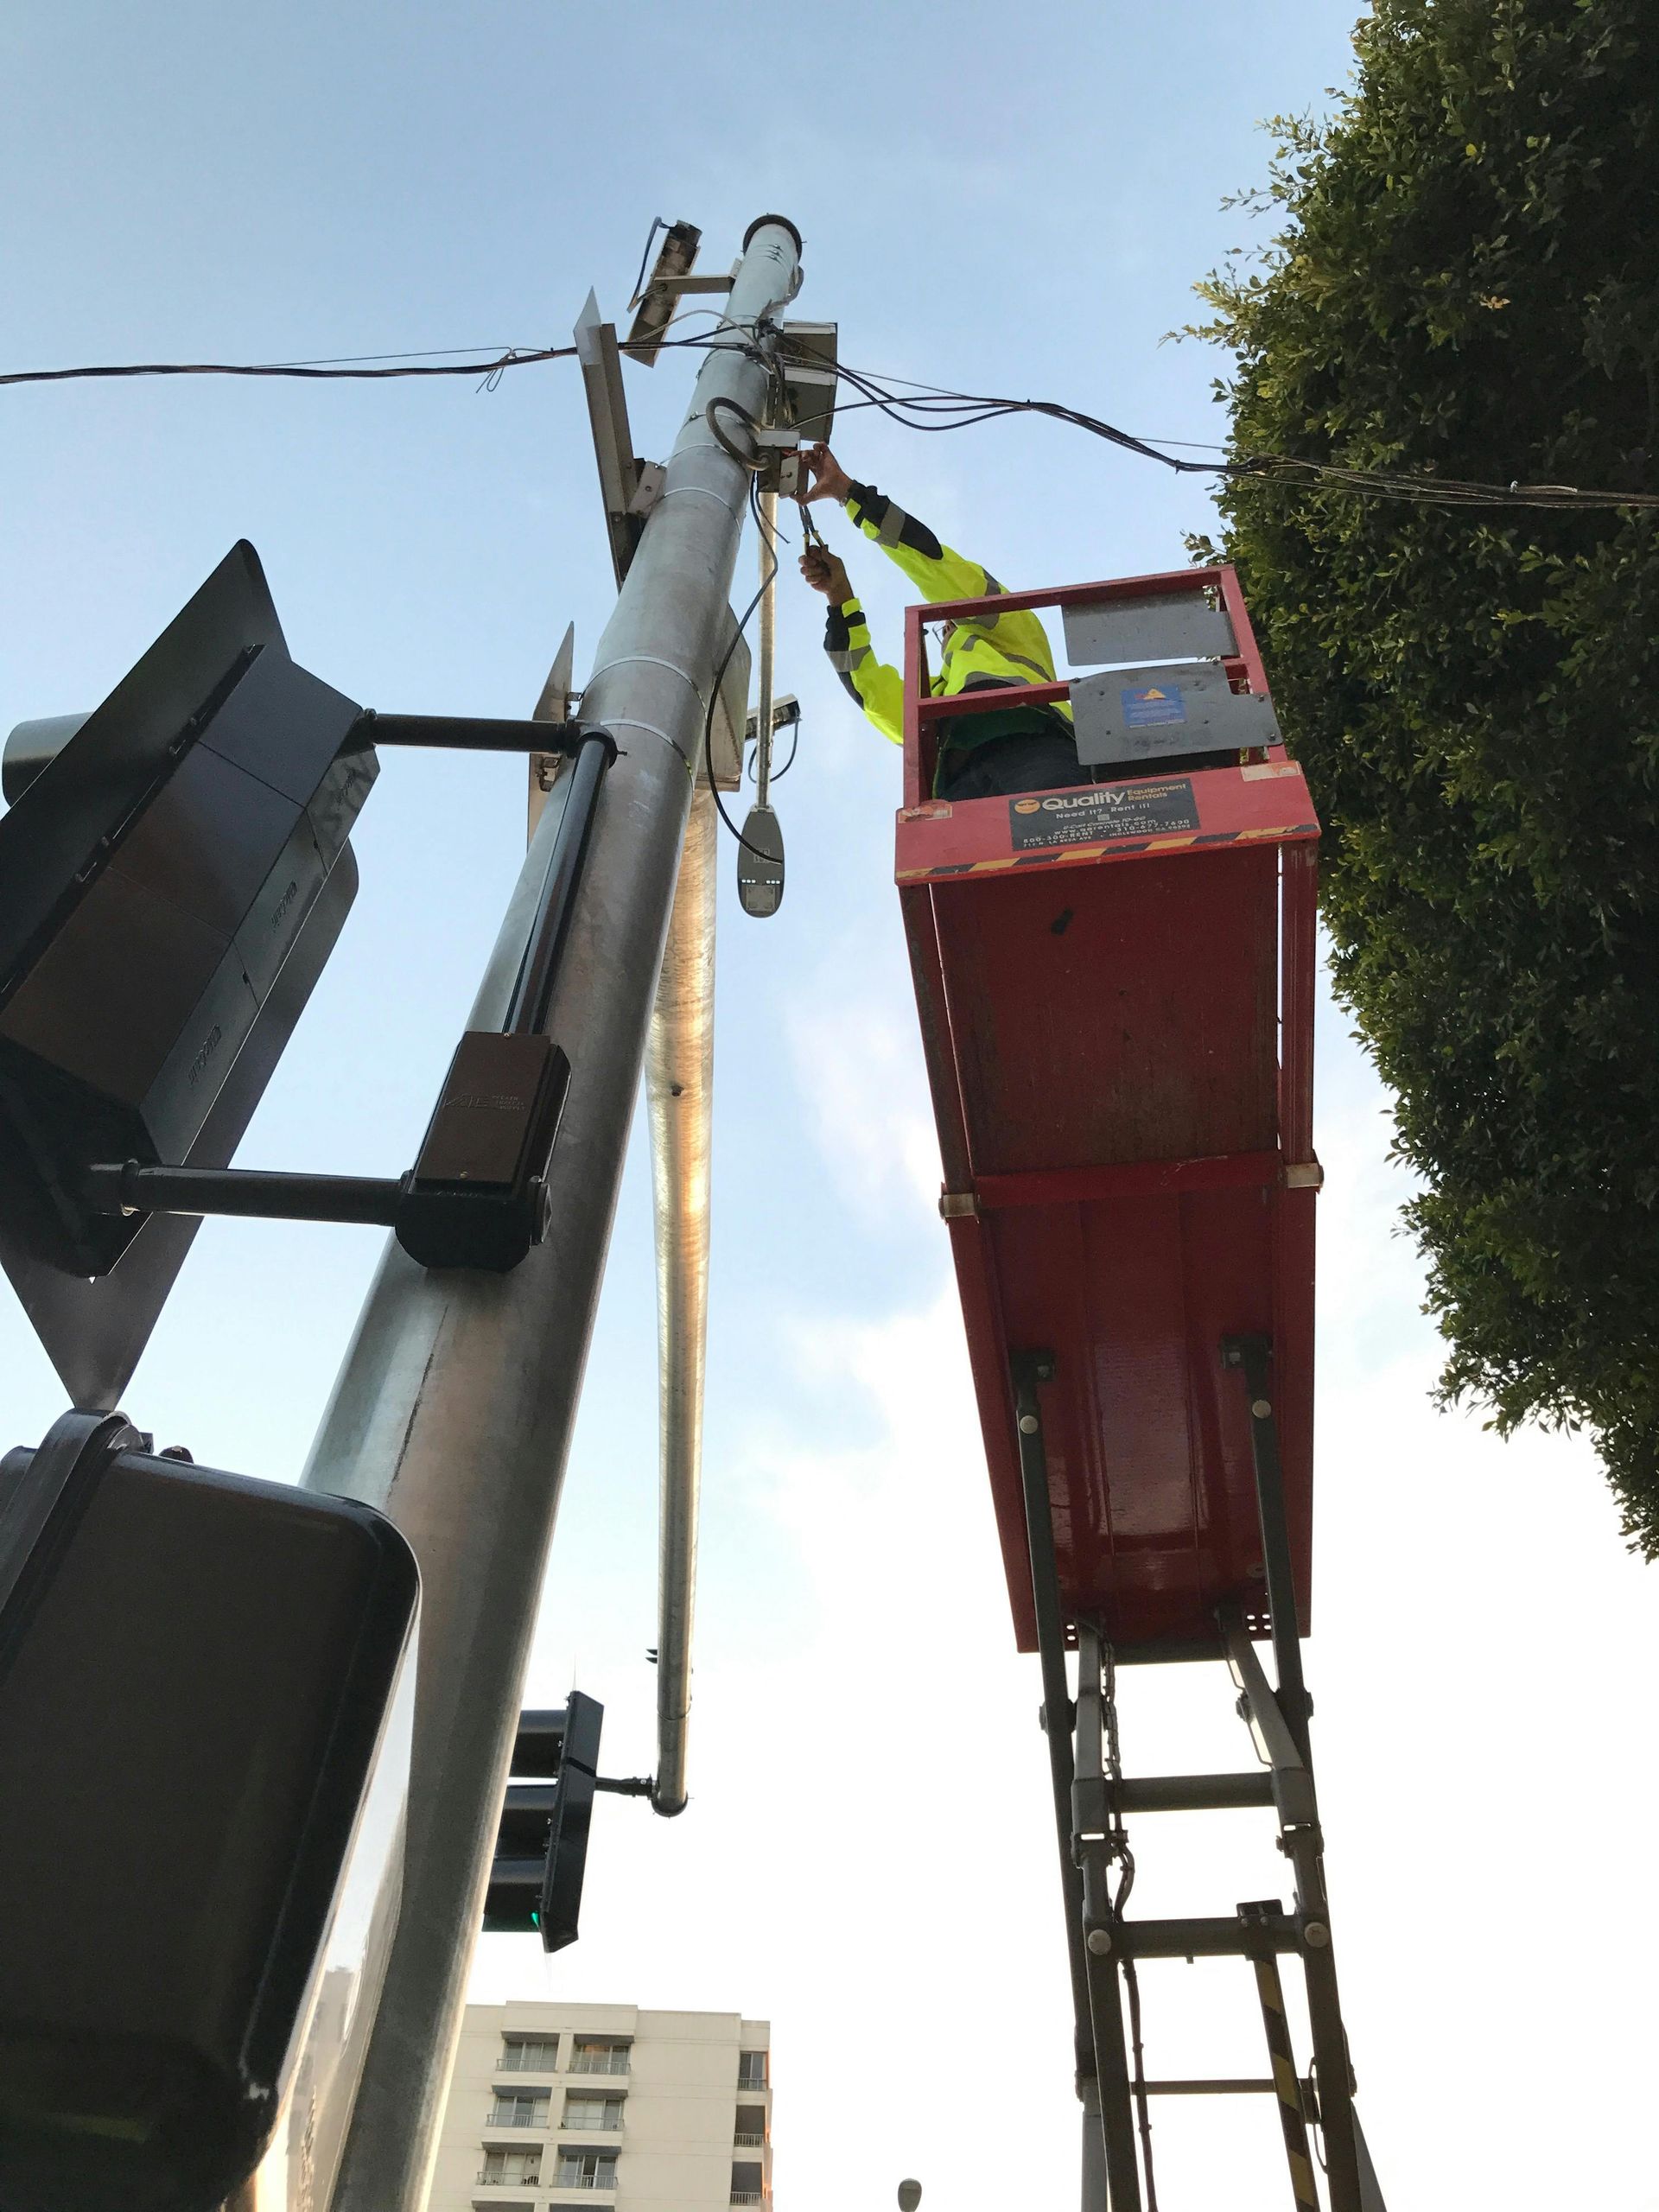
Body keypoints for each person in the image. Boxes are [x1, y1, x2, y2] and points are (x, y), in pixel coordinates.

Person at [796, 442, 1090, 800]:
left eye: (946, 621)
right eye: (942, 628)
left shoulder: (1014, 631)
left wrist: (848, 492)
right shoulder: (933, 696)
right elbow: (868, 689)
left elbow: (934, 565)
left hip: (1035, 744)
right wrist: (839, 596)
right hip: (959, 781)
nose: (947, 626)